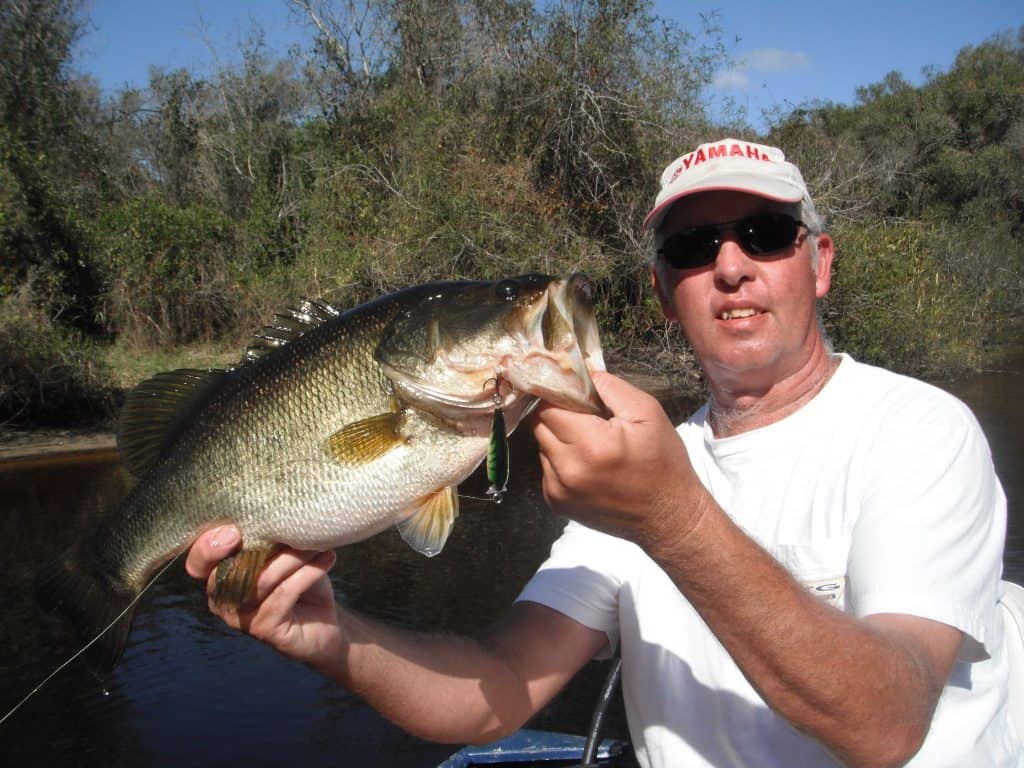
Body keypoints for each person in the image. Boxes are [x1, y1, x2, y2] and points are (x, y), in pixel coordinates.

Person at [186, 138, 1020, 767]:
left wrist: (671, 517)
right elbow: (493, 693)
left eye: (765, 234)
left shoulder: (919, 430)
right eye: (693, 250)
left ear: (820, 263)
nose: (730, 267)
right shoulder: (637, 478)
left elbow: (889, 722)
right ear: (662, 294)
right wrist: (329, 637)